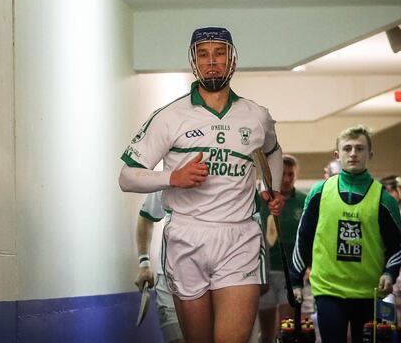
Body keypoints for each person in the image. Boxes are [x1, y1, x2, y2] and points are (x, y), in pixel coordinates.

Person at [119, 26, 284, 343]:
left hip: (239, 237)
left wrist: (272, 190)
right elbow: (127, 176)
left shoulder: (257, 116)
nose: (212, 62)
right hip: (187, 236)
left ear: (232, 60)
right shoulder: (169, 116)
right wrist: (173, 178)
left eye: (219, 54)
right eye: (203, 54)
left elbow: (274, 152)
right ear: (193, 62)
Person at [291, 125, 401, 343]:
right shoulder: (319, 193)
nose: (353, 153)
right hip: (328, 291)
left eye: (360, 148)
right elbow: (302, 240)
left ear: (370, 154)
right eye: (348, 148)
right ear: (337, 155)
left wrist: (390, 273)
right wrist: (295, 281)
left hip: (370, 294)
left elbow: (396, 248)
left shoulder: (384, 200)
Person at [258, 155, 307, 343]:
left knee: (286, 330)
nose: (286, 179)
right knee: (267, 334)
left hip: (291, 275)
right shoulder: (261, 199)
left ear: (296, 175)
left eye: (290, 174)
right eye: (283, 174)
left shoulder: (303, 201)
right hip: (265, 274)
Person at [135, 192, 184, 343]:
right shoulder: (165, 179)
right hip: (169, 281)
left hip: (210, 282)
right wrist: (144, 265)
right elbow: (146, 218)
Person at [381, 174, 401, 331]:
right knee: (386, 323)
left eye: (393, 190)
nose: (391, 194)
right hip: (387, 274)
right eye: (387, 191)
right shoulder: (383, 211)